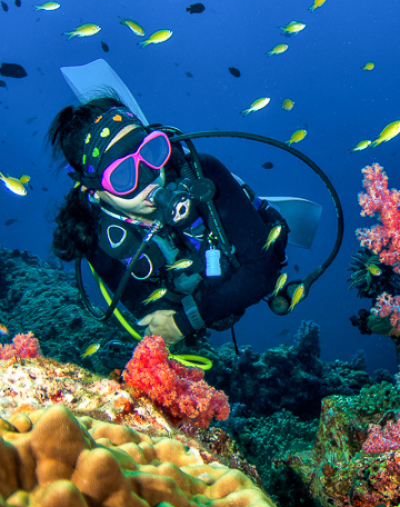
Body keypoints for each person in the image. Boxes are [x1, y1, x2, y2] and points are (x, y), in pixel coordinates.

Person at [48, 94, 288, 345]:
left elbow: (263, 269)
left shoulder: (202, 174)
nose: (149, 177)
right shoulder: (94, 237)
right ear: (93, 189)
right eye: (122, 175)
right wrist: (192, 317)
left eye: (151, 153)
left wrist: (185, 322)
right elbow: (155, 318)